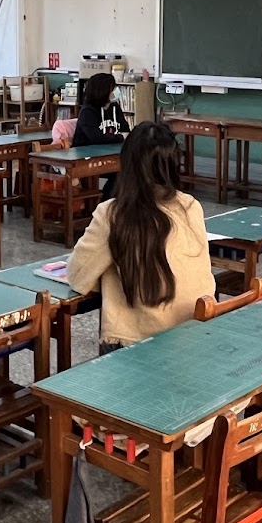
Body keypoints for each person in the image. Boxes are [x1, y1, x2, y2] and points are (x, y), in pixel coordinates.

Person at [66, 121, 215, 353]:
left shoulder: (113, 213)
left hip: (137, 344)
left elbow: (77, 276)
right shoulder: (191, 206)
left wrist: (109, 269)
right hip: (195, 335)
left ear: (126, 165)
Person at [73, 73, 130, 199]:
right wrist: (120, 137)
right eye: (113, 88)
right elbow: (97, 138)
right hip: (87, 160)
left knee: (127, 171)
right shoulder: (87, 111)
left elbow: (126, 129)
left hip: (109, 156)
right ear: (103, 91)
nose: (116, 91)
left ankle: (110, 203)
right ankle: (105, 204)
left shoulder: (115, 108)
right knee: (120, 173)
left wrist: (120, 136)